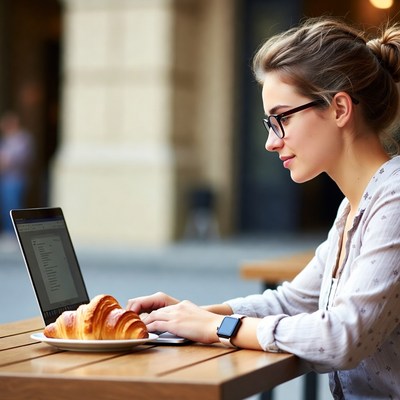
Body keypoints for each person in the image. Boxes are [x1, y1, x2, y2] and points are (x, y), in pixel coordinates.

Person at [127, 17, 400, 399]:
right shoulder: (353, 209)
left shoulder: (395, 199)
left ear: (339, 108)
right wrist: (193, 316)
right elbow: (291, 301)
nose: (271, 142)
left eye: (281, 119)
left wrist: (216, 328)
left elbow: (341, 337)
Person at [0, 111, 34, 235]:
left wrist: (6, 161)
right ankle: (9, 233)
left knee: (14, 207)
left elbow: (14, 160)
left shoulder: (22, 139)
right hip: (5, 179)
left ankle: (16, 234)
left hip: (16, 179)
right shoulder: (6, 139)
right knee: (5, 208)